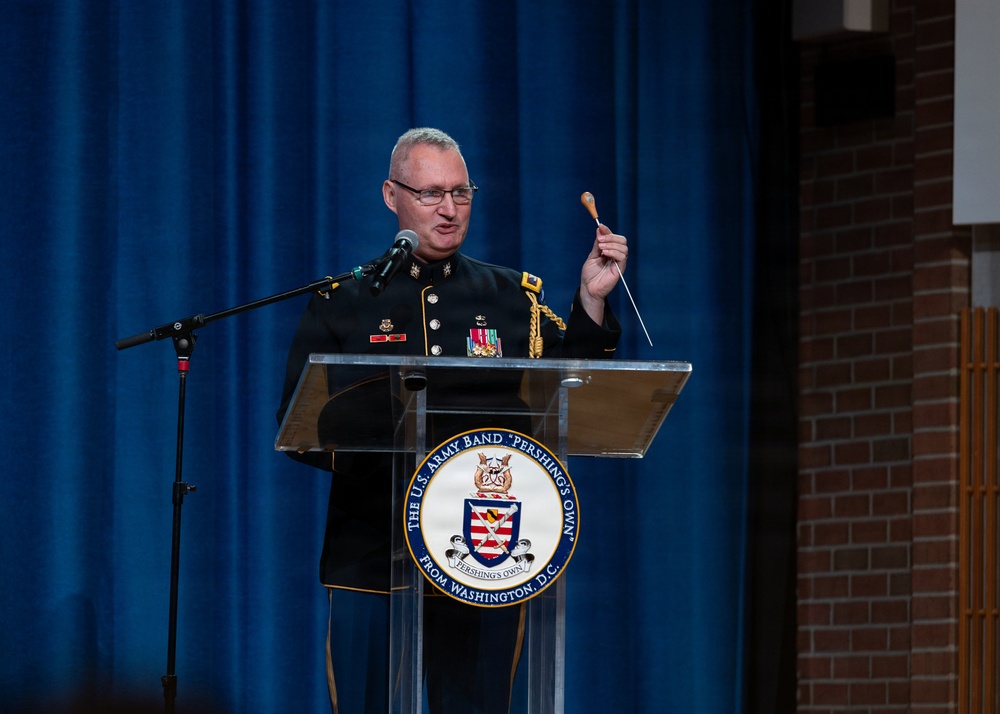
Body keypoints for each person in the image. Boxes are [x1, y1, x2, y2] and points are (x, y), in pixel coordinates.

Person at [277, 128, 628, 714]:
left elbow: (575, 385)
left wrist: (592, 300)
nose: (448, 209)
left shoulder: (512, 296)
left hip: (482, 556)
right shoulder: (343, 300)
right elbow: (302, 425)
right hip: (372, 547)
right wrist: (411, 462)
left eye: (461, 193)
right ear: (392, 196)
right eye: (432, 193)